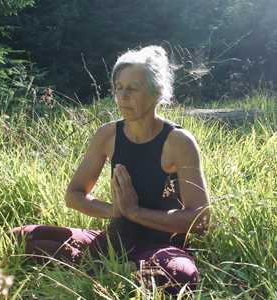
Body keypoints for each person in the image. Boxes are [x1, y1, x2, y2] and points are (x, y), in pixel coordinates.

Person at [11, 45, 210, 295]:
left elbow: (200, 220)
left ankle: (97, 265)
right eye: (118, 87)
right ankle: (114, 266)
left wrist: (135, 212)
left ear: (156, 92)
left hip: (160, 245)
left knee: (180, 274)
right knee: (20, 237)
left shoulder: (178, 141)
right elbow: (74, 194)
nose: (122, 96)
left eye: (133, 88)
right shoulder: (108, 135)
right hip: (114, 239)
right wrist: (115, 210)